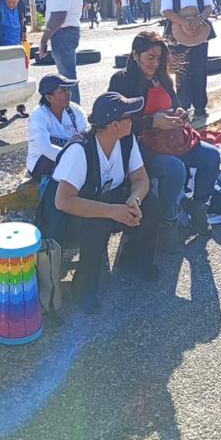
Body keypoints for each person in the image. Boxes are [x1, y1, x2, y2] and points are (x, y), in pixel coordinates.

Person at [108, 31, 221, 244]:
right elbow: (115, 123)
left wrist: (180, 114)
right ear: (135, 55)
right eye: (150, 57)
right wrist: (152, 122)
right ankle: (168, 220)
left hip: (172, 139)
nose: (155, 63)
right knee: (174, 168)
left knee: (212, 156)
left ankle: (198, 207)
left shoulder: (163, 77)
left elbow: (176, 104)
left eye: (159, 58)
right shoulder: (122, 80)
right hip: (142, 146)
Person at [51, 92, 157, 312]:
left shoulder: (127, 140)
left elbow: (141, 180)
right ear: (115, 125)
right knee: (97, 224)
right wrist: (112, 211)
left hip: (108, 201)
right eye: (129, 117)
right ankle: (83, 287)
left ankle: (134, 259)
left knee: (151, 203)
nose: (133, 120)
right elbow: (63, 201)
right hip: (69, 216)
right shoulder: (80, 150)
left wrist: (133, 199)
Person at [160, 0, 215, 119]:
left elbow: (209, 7)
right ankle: (182, 107)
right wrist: (184, 22)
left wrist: (199, 19)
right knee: (181, 73)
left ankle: (200, 108)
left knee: (199, 71)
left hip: (199, 34)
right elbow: (167, 12)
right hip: (177, 36)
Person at [27, 74, 88, 186]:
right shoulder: (38, 116)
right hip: (43, 163)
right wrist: (75, 159)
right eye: (63, 90)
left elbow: (86, 136)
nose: (69, 93)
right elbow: (46, 149)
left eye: (69, 89)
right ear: (49, 97)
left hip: (71, 159)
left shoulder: (75, 110)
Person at [40, 0, 84, 103]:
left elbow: (58, 17)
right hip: (66, 33)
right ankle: (73, 112)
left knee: (67, 79)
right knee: (68, 77)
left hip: (63, 34)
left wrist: (43, 40)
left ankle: (73, 113)